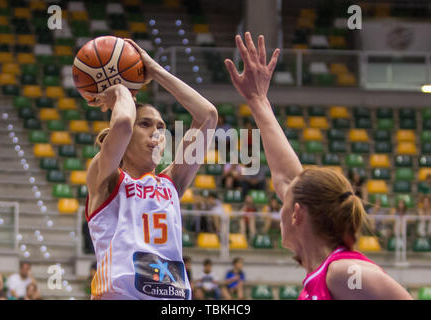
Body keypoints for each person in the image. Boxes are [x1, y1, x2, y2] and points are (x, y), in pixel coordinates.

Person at [225, 31, 412, 300]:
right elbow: (289, 180)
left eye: (284, 203)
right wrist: (258, 102)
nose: (281, 208)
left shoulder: (346, 272)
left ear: (297, 214)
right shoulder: (326, 273)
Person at [83, 38, 218, 300]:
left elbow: (207, 115)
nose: (156, 132)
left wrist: (154, 70)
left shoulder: (171, 182)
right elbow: (122, 122)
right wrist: (122, 92)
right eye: (145, 124)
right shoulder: (108, 177)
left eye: (161, 127)